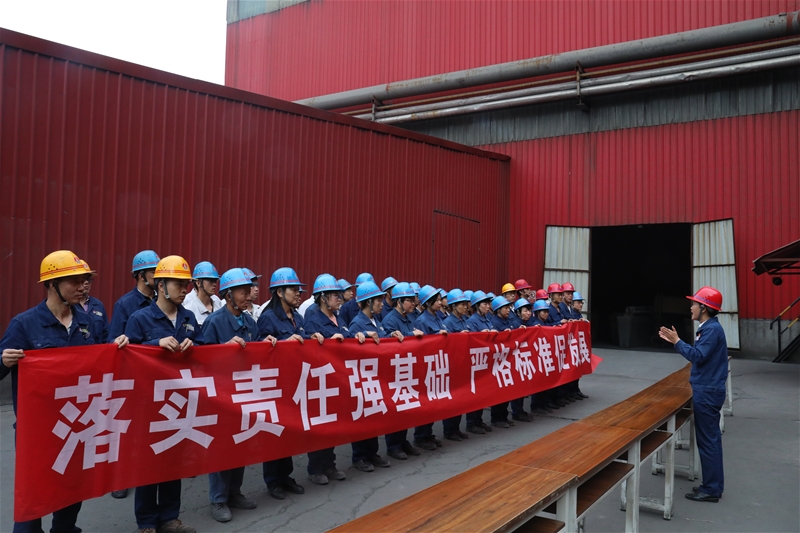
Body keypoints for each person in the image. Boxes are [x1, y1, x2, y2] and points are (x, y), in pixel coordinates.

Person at [1, 250, 127, 533]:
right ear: (51, 284)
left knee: (71, 486)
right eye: (74, 281)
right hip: (37, 429)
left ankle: (65, 529)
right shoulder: (25, 324)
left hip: (76, 423)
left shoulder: (88, 322)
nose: (83, 286)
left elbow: (98, 362)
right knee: (34, 491)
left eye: (85, 280)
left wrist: (114, 348)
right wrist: (3, 361)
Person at [125, 255, 201, 533]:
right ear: (161, 285)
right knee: (148, 463)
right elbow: (126, 356)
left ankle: (170, 517)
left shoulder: (188, 317)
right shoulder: (140, 318)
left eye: (186, 284)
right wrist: (155, 343)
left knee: (172, 460)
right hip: (148, 402)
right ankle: (146, 522)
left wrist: (195, 345)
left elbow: (205, 349)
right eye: (178, 284)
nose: (184, 289)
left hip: (178, 401)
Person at [202, 268, 275, 523]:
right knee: (221, 447)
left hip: (244, 393)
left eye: (248, 291)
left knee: (240, 443)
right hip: (221, 397)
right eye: (243, 292)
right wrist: (224, 349)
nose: (248, 296)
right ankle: (218, 498)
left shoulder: (250, 322)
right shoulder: (214, 322)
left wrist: (264, 344)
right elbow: (202, 359)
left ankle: (234, 493)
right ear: (228, 295)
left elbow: (254, 352)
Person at [257, 267, 323, 499]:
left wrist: (310, 339)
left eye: (299, 290)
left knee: (288, 433)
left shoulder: (298, 318)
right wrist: (285, 343)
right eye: (293, 289)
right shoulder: (268, 317)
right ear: (279, 292)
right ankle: (273, 481)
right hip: (274, 385)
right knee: (274, 433)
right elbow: (261, 350)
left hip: (294, 384)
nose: (298, 294)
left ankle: (286, 477)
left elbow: (302, 344)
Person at [659, 286, 728, 503]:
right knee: (711, 440)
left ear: (704, 308)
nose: (691, 307)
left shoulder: (711, 330)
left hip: (707, 392)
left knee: (708, 442)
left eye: (694, 304)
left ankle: (711, 489)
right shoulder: (709, 328)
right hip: (708, 389)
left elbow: (698, 356)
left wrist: (677, 342)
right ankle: (713, 485)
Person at [303, 274, 370, 484]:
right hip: (319, 381)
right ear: (323, 297)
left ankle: (329, 465)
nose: (339, 299)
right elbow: (308, 350)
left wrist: (358, 337)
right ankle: (315, 468)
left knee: (331, 425)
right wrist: (328, 342)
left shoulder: (338, 318)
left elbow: (347, 338)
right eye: (334, 295)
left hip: (335, 380)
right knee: (319, 427)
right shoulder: (312, 320)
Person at [380, 282, 424, 460]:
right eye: (409, 300)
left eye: (413, 300)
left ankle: (403, 440)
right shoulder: (390, 320)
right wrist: (412, 336)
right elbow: (389, 344)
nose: (413, 303)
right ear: (398, 302)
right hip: (395, 371)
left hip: (408, 369)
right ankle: (393, 445)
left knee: (406, 407)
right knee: (395, 408)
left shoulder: (410, 318)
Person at [412, 285, 449, 450]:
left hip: (437, 365)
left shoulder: (437, 317)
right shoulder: (422, 321)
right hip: (426, 367)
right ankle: (421, 436)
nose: (440, 303)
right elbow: (421, 345)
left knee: (433, 403)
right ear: (428, 302)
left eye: (440, 300)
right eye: (437, 300)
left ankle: (428, 433)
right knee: (425, 403)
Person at [108, 250, 160, 343]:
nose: (159, 277)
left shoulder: (162, 300)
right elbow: (113, 341)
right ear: (141, 276)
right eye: (154, 272)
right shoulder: (124, 305)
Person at [464, 290, 495, 434]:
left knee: (482, 392)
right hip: (475, 362)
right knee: (474, 393)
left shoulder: (487, 319)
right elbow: (472, 341)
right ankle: (471, 423)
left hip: (485, 361)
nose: (488, 307)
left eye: (488, 304)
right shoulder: (472, 321)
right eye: (485, 304)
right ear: (477, 306)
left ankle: (478, 420)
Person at [441, 289, 470, 442]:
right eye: (461, 304)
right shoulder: (448, 323)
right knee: (451, 399)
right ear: (453, 306)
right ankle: (449, 430)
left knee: (460, 399)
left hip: (462, 364)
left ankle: (456, 428)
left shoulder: (464, 320)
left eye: (465, 304)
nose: (465, 307)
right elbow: (447, 344)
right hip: (452, 366)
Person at [182, 261, 224, 327]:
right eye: (211, 281)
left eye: (215, 281)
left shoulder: (217, 302)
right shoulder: (187, 307)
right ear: (198, 283)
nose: (215, 284)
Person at [79, 259, 110, 344]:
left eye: (88, 279)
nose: (86, 282)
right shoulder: (68, 306)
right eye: (82, 279)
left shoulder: (98, 305)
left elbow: (105, 336)